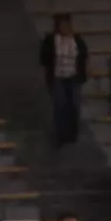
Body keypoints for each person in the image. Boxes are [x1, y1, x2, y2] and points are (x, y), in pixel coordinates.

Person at [41, 14, 89, 147]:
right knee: (60, 106)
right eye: (63, 25)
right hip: (58, 77)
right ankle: (61, 135)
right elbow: (43, 59)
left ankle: (72, 134)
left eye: (68, 24)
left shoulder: (77, 39)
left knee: (74, 105)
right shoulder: (50, 40)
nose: (66, 27)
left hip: (74, 77)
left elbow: (84, 55)